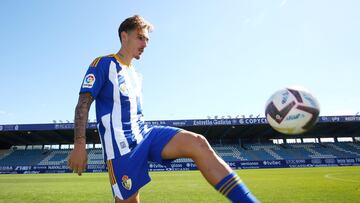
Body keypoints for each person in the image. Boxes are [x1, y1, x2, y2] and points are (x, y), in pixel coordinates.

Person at [68, 15, 259, 203]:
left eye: (147, 40)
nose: (145, 44)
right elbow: (83, 103)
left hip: (145, 134)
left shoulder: (137, 75)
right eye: (140, 38)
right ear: (124, 36)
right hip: (121, 148)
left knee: (198, 143)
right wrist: (79, 144)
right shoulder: (103, 64)